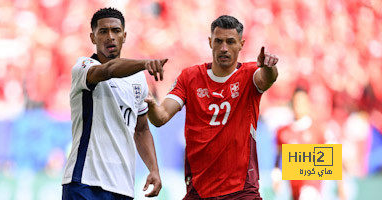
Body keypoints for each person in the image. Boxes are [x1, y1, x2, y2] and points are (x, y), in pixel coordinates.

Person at [145, 15, 278, 199]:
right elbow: (160, 117)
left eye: (230, 42)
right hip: (200, 190)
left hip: (241, 190)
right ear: (210, 42)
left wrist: (269, 67)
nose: (224, 48)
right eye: (219, 41)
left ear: (241, 44)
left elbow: (267, 78)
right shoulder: (189, 77)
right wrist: (151, 105)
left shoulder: (249, 75)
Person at [62, 7, 167, 200]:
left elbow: (142, 129)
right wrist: (145, 63)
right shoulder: (83, 67)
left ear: (124, 36)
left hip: (122, 186)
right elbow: (108, 70)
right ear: (93, 38)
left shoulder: (138, 80)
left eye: (116, 31)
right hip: (85, 180)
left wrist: (153, 169)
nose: (110, 36)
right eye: (103, 31)